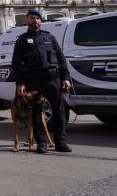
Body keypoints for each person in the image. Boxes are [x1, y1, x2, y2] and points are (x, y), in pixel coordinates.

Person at [11, 9, 72, 154]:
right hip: (34, 81)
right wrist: (20, 83)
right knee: (37, 112)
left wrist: (66, 78)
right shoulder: (22, 40)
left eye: (37, 18)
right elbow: (16, 64)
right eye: (32, 18)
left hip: (53, 79)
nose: (35, 21)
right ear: (27, 20)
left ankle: (61, 142)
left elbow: (61, 59)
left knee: (59, 110)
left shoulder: (50, 38)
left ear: (41, 21)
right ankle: (41, 143)